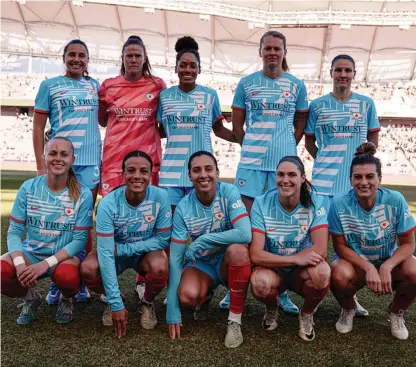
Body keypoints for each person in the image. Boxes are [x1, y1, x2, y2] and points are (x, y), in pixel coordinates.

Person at [228, 30, 309, 314]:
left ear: (285, 52)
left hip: (281, 165)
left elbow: (300, 123)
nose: (272, 53)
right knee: (244, 229)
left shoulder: (297, 85)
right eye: (268, 48)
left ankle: (281, 291)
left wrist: (286, 146)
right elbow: (238, 126)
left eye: (277, 48)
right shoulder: (246, 83)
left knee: (279, 229)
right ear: (260, 51)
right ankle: (234, 287)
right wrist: (250, 145)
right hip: (250, 164)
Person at [305, 54, 380, 317]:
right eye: (338, 70)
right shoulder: (317, 106)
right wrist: (326, 161)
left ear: (354, 74)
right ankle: (312, 297)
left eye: (348, 70)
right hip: (323, 186)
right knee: (317, 243)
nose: (343, 74)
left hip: (351, 188)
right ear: (331, 73)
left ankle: (348, 300)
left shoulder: (366, 104)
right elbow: (309, 143)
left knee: (349, 243)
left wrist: (359, 160)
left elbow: (373, 142)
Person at [98, 35, 166, 303]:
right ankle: (109, 281)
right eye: (129, 55)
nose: (134, 59)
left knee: (146, 222)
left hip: (146, 162)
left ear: (144, 58)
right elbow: (103, 120)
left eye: (138, 55)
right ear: (123, 58)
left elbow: (163, 124)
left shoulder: (157, 86)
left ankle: (142, 279)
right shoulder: (108, 87)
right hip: (114, 163)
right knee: (112, 222)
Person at [32, 39, 101, 304]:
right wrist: (41, 165)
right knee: (59, 222)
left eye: (81, 55)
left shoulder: (95, 86)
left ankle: (78, 281)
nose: (76, 59)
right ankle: (56, 280)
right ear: (64, 57)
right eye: (71, 54)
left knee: (82, 223)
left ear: (87, 59)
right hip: (61, 163)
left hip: (91, 162)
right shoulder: (49, 86)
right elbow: (39, 128)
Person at [0, 137, 93, 325]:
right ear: (44, 157)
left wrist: (46, 264)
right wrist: (19, 264)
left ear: (72, 159)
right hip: (32, 253)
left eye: (64, 154)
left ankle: (66, 299)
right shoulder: (29, 188)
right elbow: (15, 231)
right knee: (2, 269)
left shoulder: (83, 194)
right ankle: (30, 298)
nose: (58, 158)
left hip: (64, 257)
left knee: (67, 276)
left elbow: (80, 240)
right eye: (53, 153)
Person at [329, 143, 416, 340]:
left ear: (379, 179)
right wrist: (368, 267)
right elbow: (339, 246)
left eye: (370, 176)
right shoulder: (339, 203)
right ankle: (348, 308)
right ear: (350, 180)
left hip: (388, 260)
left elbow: (409, 244)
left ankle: (396, 312)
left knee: (414, 270)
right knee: (337, 273)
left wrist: (387, 265)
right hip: (356, 264)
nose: (364, 182)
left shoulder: (395, 200)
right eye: (358, 177)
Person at [80, 151, 171, 339]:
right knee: (89, 267)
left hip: (141, 255)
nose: (137, 176)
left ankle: (146, 302)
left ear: (150, 175)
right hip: (114, 256)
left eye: (143, 171)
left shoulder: (161, 197)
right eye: (131, 170)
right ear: (123, 175)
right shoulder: (108, 204)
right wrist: (115, 304)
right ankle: (114, 297)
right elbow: (105, 253)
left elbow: (162, 240)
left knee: (161, 264)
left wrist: (123, 248)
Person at [167, 151, 252, 348]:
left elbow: (245, 234)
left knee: (238, 250)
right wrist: (172, 308)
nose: (203, 175)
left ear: (217, 172)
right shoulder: (183, 208)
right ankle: (206, 295)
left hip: (227, 261)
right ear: (189, 176)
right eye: (196, 170)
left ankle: (234, 320)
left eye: (208, 169)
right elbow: (176, 258)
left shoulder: (229, 192)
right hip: (203, 264)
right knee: (187, 296)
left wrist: (203, 240)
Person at [249, 156, 330, 342]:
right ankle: (272, 308)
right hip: (274, 268)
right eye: (280, 174)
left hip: (302, 270)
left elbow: (321, 249)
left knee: (322, 273)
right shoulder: (261, 203)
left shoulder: (315, 202)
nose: (285, 180)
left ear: (303, 178)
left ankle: (307, 313)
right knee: (260, 283)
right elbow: (255, 254)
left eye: (292, 174)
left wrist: (299, 261)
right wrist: (294, 259)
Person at [158, 36, 235, 212]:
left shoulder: (210, 96)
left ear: (199, 69)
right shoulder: (164, 96)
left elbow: (219, 130)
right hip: (171, 173)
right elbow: (161, 131)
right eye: (183, 65)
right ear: (176, 68)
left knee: (202, 230)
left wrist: (243, 138)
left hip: (202, 173)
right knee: (171, 229)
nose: (188, 69)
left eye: (193, 66)